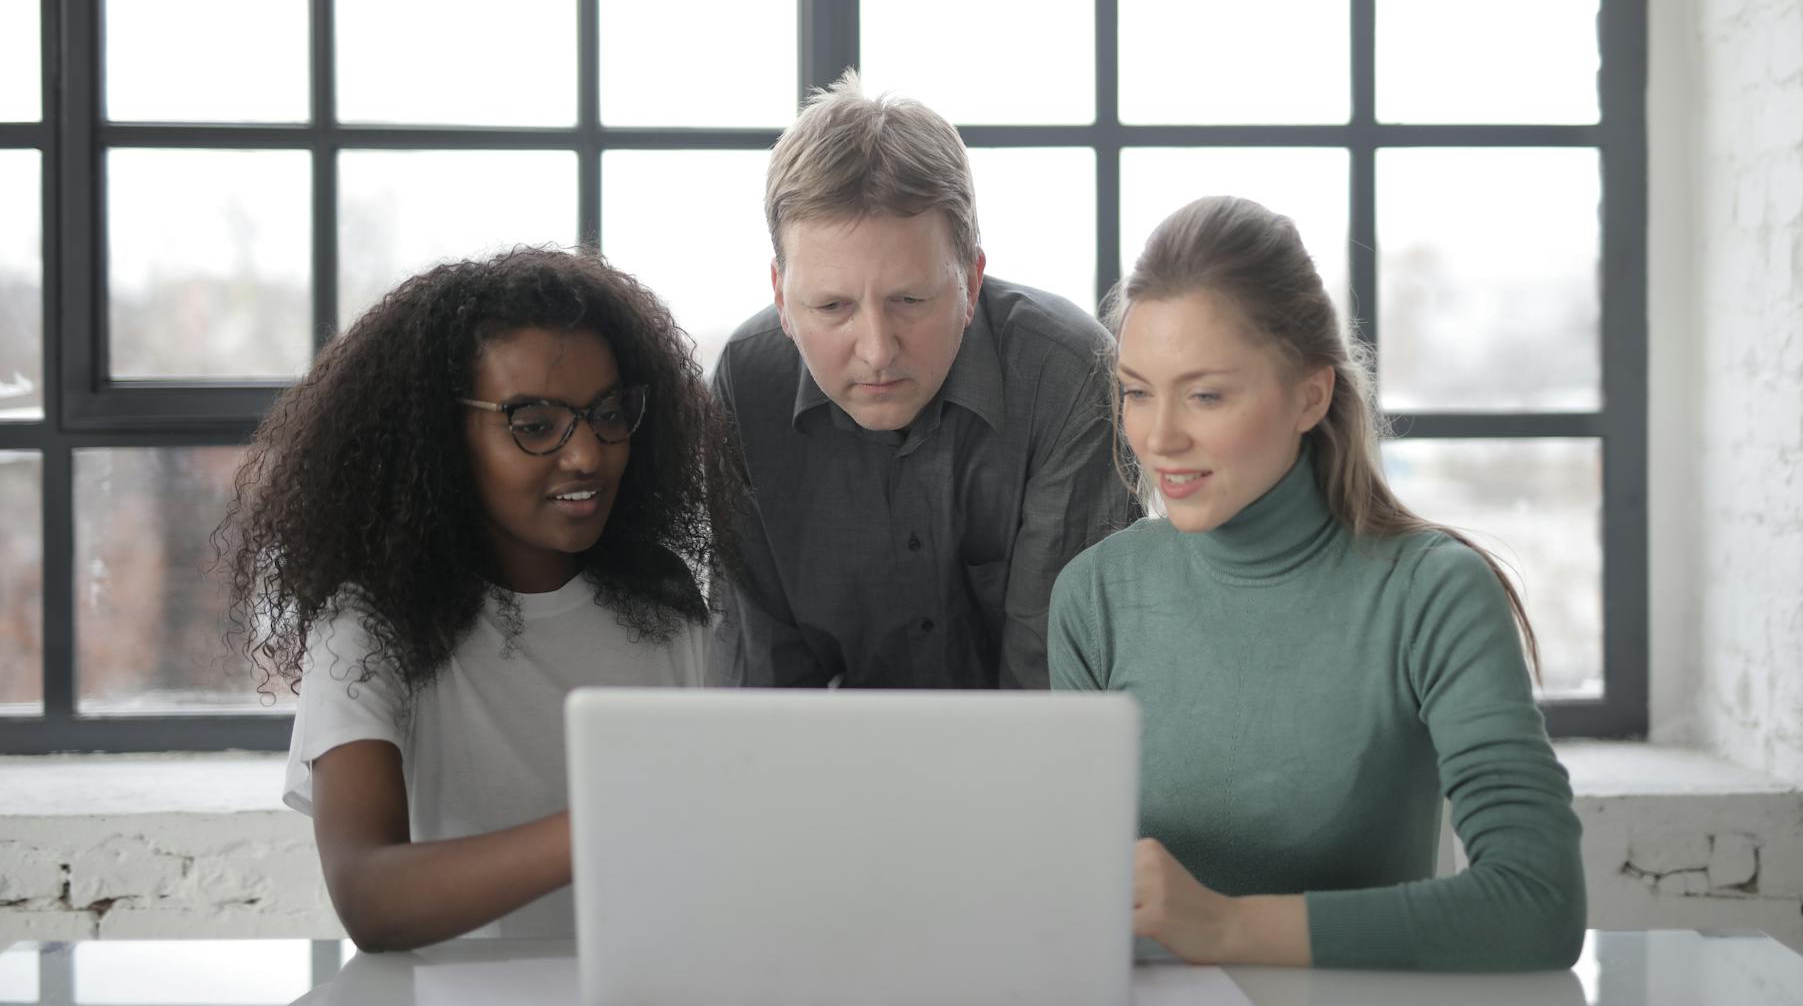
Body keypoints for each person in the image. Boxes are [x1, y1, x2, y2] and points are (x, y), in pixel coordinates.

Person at [1048, 196, 1586, 971]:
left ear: (1310, 393)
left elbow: (1540, 901)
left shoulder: (1433, 594)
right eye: (1137, 391)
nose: (1159, 437)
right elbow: (1074, 897)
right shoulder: (1095, 597)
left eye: (1205, 394)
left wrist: (1228, 928)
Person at [220, 247, 731, 950]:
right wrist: (605, 819)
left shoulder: (662, 600)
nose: (587, 455)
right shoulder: (370, 626)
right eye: (535, 423)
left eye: (608, 412)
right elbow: (371, 897)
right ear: (439, 437)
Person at [711, 71, 1132, 690]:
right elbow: (762, 687)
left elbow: (1051, 689)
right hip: (821, 774)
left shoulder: (1064, 376)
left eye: (910, 299)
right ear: (780, 294)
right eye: (832, 308)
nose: (878, 352)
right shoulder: (749, 386)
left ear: (972, 278)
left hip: (1030, 773)